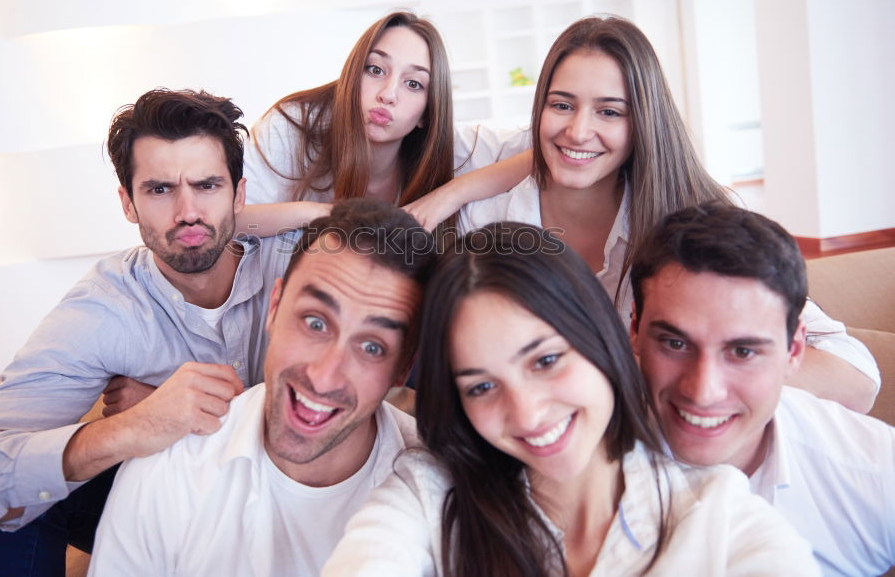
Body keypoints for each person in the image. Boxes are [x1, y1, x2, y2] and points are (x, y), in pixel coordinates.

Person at [0, 89, 297, 575]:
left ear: (239, 195)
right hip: (164, 516)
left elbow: (410, 250)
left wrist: (321, 214)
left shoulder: (300, 265)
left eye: (207, 186)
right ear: (127, 203)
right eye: (159, 190)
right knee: (15, 496)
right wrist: (135, 429)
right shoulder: (107, 305)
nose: (188, 212)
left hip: (295, 511)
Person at [323, 223, 817, 576]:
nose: (528, 412)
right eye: (481, 386)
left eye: (545, 361)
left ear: (600, 338)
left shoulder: (719, 519)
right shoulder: (431, 495)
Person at [459, 15, 879, 412]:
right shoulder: (485, 222)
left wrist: (686, 378)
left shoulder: (695, 217)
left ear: (642, 122)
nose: (579, 131)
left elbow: (855, 376)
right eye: (562, 105)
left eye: (609, 111)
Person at [88, 198, 435, 576]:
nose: (324, 376)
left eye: (372, 347)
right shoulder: (171, 462)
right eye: (315, 323)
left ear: (403, 369)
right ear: (274, 308)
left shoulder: (440, 494)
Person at [630, 203, 895, 577]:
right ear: (635, 334)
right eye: (675, 344)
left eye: (742, 351)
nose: (704, 391)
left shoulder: (876, 471)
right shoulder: (567, 480)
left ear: (794, 351)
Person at [242, 10, 530, 234]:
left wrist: (451, 195)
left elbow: (546, 148)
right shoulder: (294, 126)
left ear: (428, 113)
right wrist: (323, 215)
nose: (388, 94)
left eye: (414, 84)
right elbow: (222, 221)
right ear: (354, 74)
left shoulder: (453, 149)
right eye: (376, 69)